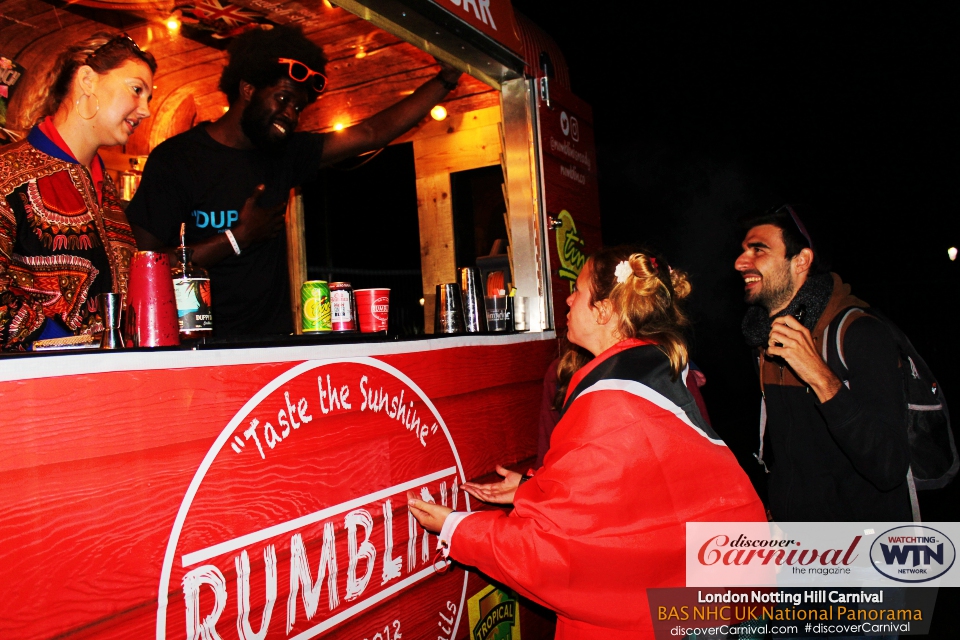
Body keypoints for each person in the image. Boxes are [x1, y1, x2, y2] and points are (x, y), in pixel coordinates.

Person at [409, 246, 765, 639]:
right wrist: (531, 489)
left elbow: (555, 555)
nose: (567, 298)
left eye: (577, 290)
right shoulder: (656, 370)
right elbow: (630, 507)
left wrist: (457, 528)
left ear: (604, 311)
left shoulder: (609, 401)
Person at [127, 26, 462, 338]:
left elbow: (371, 133)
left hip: (272, 342)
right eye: (283, 99)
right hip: (199, 347)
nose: (291, 114)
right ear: (248, 90)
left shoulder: (285, 154)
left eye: (298, 107)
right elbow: (143, 261)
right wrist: (237, 237)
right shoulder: (177, 160)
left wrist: (445, 80)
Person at [736, 204, 911, 521]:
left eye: (758, 250)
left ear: (801, 261)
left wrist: (819, 375)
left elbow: (889, 467)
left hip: (860, 551)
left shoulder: (859, 334)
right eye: (742, 251)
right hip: (799, 547)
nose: (739, 263)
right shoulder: (764, 339)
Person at [0, 33, 154, 350]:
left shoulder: (107, 195)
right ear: (87, 80)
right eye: (137, 90)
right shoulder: (8, 174)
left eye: (149, 98)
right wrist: (57, 341)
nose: (146, 111)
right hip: (33, 390)